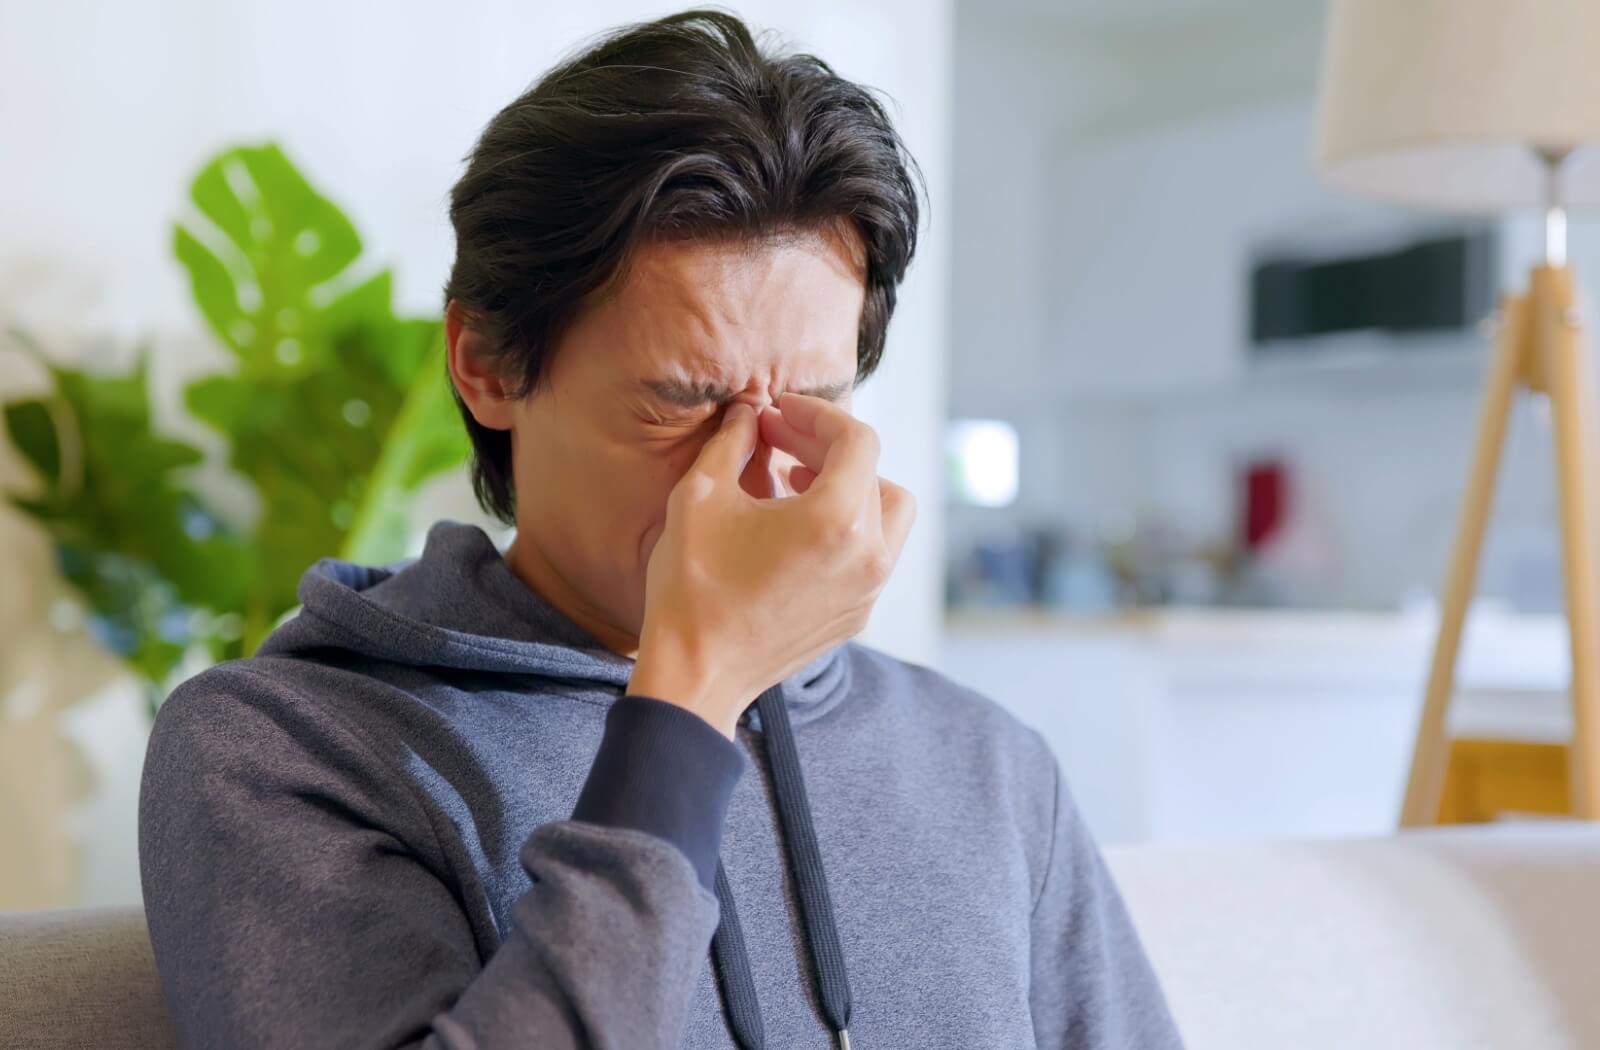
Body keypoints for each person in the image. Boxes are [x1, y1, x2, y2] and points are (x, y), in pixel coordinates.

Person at [138, 10, 1183, 1049]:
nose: (753, 477)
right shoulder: (284, 747)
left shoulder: (985, 763)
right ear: (488, 364)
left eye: (813, 398)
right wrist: (692, 693)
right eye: (680, 401)